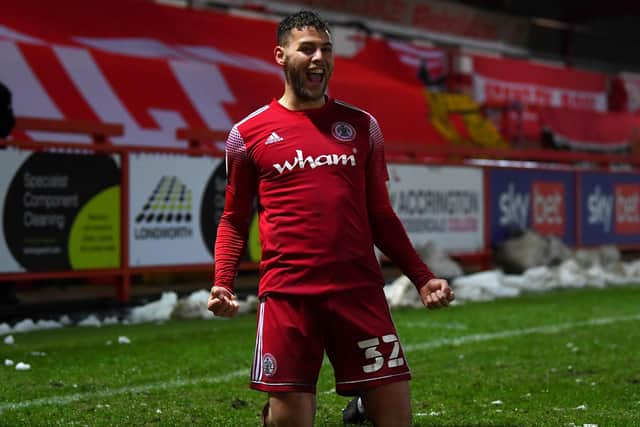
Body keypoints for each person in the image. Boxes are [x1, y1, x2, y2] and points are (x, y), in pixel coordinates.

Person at [208, 10, 454, 427]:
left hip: (358, 289)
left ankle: (363, 407)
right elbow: (233, 218)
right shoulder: (246, 134)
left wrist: (421, 276)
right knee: (292, 421)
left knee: (396, 418)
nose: (319, 57)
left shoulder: (362, 126)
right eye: (307, 49)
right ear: (281, 56)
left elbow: (380, 213)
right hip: (289, 294)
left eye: (326, 48)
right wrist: (222, 281)